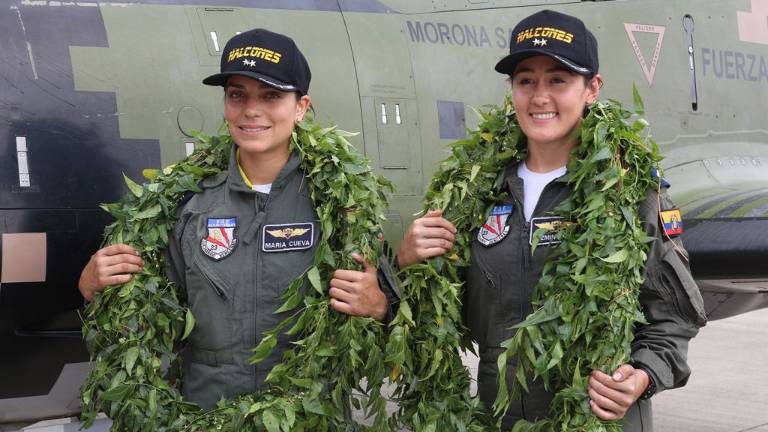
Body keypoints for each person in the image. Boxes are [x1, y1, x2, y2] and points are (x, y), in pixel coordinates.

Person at [396, 10, 707, 431]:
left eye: (558, 80)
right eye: (526, 81)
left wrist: (643, 375)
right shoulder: (476, 194)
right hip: (499, 420)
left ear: (592, 89)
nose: (539, 96)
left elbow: (674, 315)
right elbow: (444, 320)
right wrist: (409, 264)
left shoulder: (631, 193)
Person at [78, 28, 398, 409]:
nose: (251, 110)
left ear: (301, 107)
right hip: (205, 410)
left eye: (271, 95)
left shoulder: (340, 203)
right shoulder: (185, 202)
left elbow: (396, 324)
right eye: (237, 95)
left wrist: (380, 307)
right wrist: (92, 287)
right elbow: (146, 313)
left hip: (309, 413)